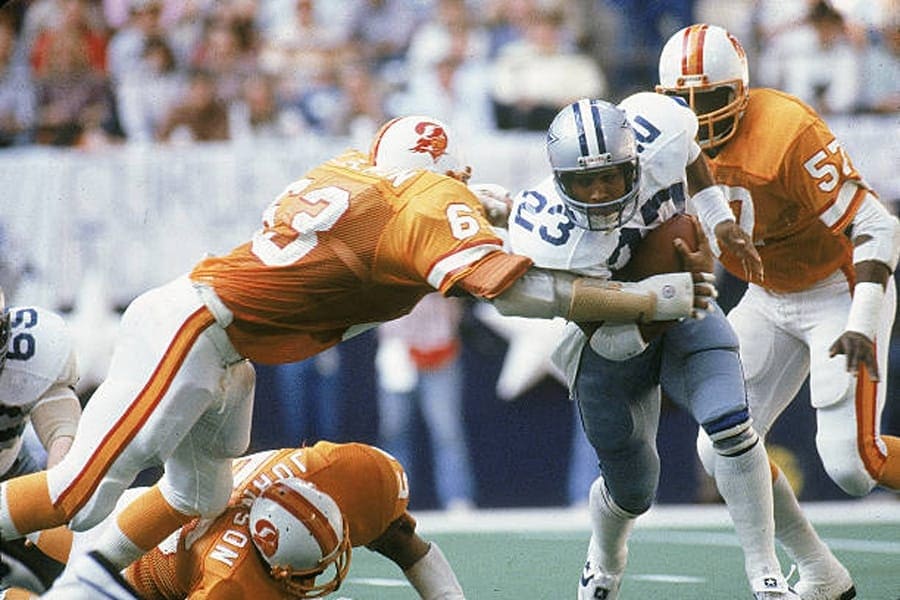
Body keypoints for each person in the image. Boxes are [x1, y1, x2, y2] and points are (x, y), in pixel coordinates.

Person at [0, 114, 715, 579]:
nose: (465, 184)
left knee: (197, 493)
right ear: (438, 171)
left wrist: (492, 202)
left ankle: (90, 588)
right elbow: (511, 292)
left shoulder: (353, 170)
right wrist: (644, 300)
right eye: (457, 175)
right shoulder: (423, 204)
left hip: (222, 346)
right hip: (191, 329)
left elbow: (434, 202)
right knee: (78, 497)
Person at [507, 94, 796, 599]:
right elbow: (608, 338)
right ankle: (604, 559)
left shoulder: (659, 130)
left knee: (732, 423)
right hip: (612, 342)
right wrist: (668, 298)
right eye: (584, 182)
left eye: (610, 176)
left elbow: (691, 152)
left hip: (685, 314)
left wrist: (718, 220)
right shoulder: (549, 234)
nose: (599, 192)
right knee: (634, 489)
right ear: (560, 182)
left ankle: (766, 575)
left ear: (635, 163)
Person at [656, 23, 900, 600]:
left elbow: (878, 226)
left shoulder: (786, 131)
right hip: (767, 295)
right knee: (720, 446)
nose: (697, 118)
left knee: (853, 465)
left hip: (836, 289)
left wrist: (862, 318)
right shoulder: (657, 135)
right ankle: (820, 572)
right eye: (683, 102)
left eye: (711, 99)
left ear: (740, 91)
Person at [9, 441, 465, 599]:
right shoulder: (230, 581)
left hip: (137, 510)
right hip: (115, 568)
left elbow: (403, 542)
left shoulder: (342, 474)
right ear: (273, 568)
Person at [0, 288, 82, 592]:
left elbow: (61, 426)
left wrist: (55, 497)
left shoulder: (31, 347)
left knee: (80, 562)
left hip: (10, 474)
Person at [375, 292, 475, 511]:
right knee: (394, 431)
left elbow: (456, 294)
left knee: (447, 430)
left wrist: (450, 325)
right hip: (397, 350)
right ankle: (394, 501)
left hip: (439, 350)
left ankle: (457, 497)